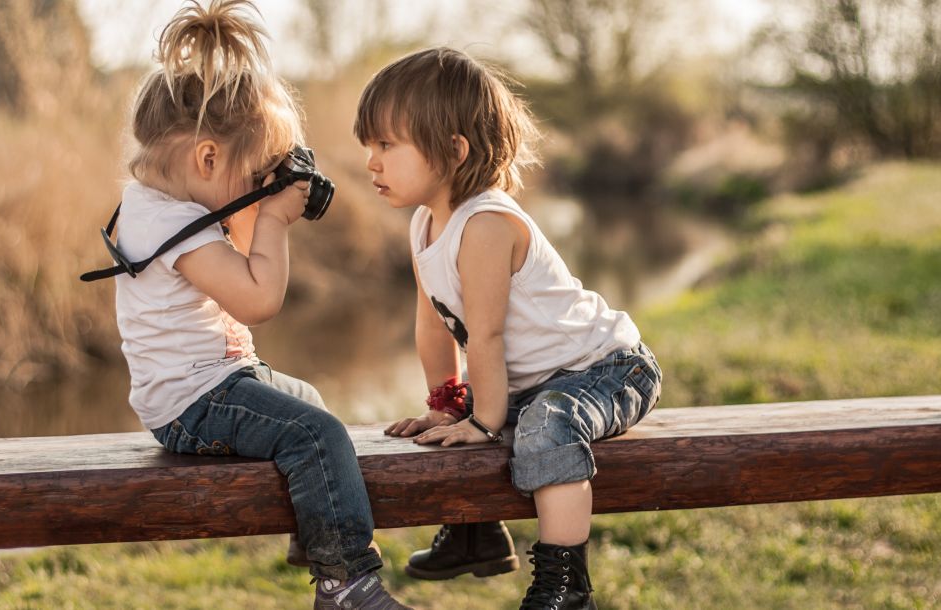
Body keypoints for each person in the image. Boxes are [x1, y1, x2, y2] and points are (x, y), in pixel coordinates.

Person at [106, 2, 410, 608]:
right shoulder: (178, 227)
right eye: (254, 174)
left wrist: (257, 199)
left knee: (310, 405)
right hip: (195, 402)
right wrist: (275, 216)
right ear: (208, 158)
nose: (259, 187)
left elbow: (237, 263)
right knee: (318, 433)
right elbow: (259, 299)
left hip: (205, 386)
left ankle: (313, 535)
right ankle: (344, 583)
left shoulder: (162, 208)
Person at [355, 47, 662, 610]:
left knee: (542, 425)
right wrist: (448, 402)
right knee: (456, 422)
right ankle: (477, 534)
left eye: (386, 145)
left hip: (605, 369)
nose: (370, 161)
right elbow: (433, 327)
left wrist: (485, 418)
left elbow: (487, 336)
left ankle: (566, 587)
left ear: (453, 150)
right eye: (368, 145)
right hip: (539, 378)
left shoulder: (488, 224)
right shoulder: (425, 224)